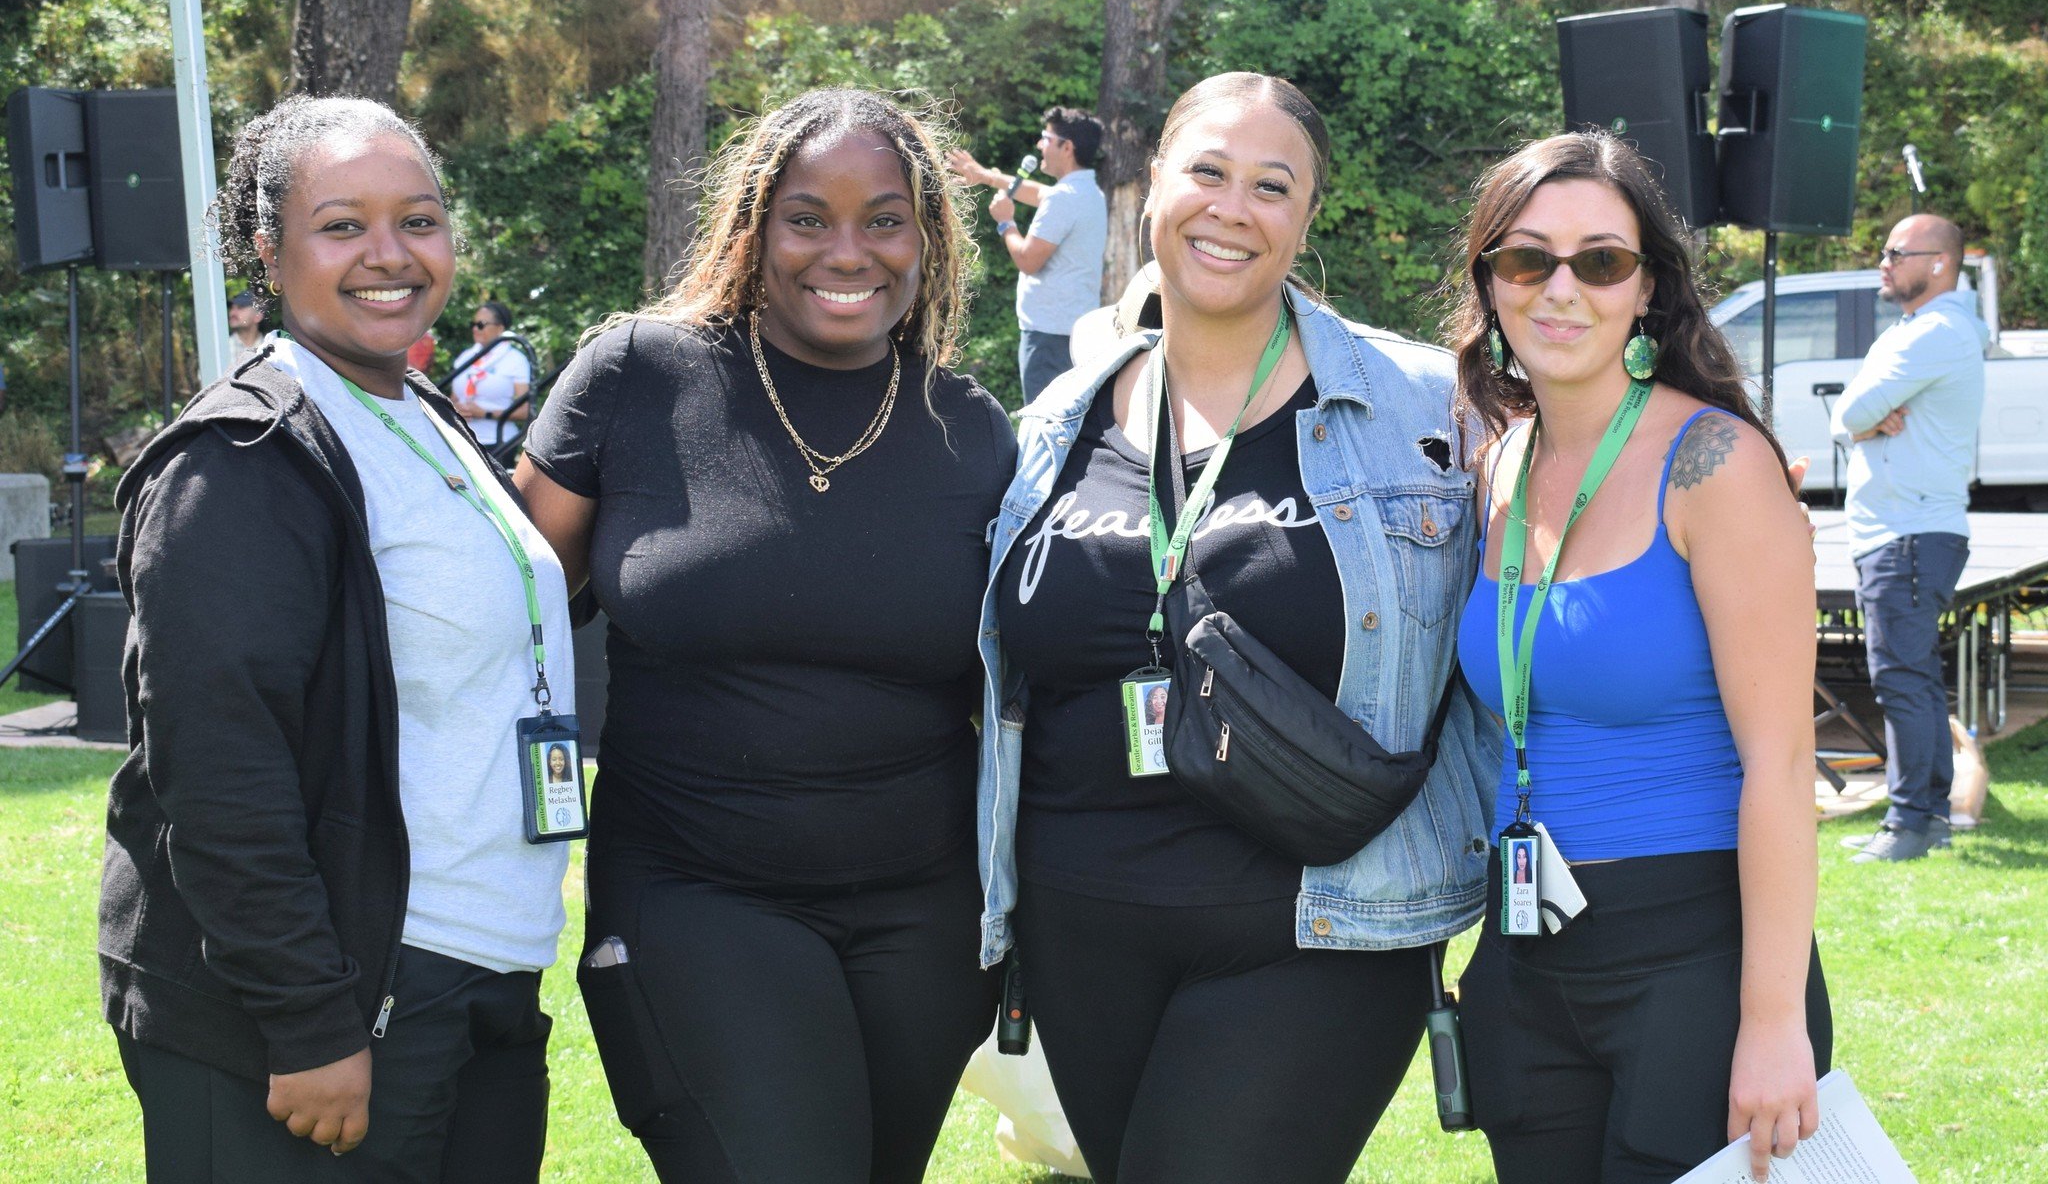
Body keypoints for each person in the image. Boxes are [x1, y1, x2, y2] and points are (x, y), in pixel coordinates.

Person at [975, 72, 1497, 1183]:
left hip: (1319, 924)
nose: (1230, 206)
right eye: (1205, 171)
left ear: (1306, 220)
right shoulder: (1053, 421)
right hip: (1079, 924)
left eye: (1272, 185)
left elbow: (1539, 618)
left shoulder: (1424, 410)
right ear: (1150, 186)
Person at [514, 88, 1014, 1184]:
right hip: (695, 894)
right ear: (752, 227)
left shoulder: (969, 431)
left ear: (927, 240)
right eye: (807, 217)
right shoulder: (636, 377)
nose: (848, 250)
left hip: (923, 925)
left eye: (884, 219)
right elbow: (502, 611)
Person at [101, 96, 577, 1181]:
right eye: (342, 225)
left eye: (417, 219)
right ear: (267, 250)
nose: (388, 255)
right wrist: (310, 1016)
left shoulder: (421, 409)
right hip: (330, 1001)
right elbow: (217, 765)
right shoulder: (239, 458)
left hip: (480, 965)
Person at [1447, 130, 1829, 1184]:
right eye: (1527, 259)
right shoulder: (1495, 468)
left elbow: (1781, 766)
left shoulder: (1715, 464)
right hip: (1523, 951)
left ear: (1643, 288)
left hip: (1692, 960)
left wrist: (1769, 1019)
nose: (1559, 288)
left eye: (1598, 260)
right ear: (1489, 282)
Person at [1830, 214, 1985, 863]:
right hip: (1908, 530)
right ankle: (1927, 819)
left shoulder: (1937, 332)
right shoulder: (1921, 333)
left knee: (1901, 680)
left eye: (1897, 253)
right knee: (1912, 679)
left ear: (1941, 264)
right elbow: (1855, 415)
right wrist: (1860, 419)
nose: (1883, 263)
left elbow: (1849, 412)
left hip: (1909, 533)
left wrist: (1861, 420)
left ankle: (1908, 824)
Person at [947, 107, 1108, 403]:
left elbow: (1028, 260)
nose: (1039, 144)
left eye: (1046, 137)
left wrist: (1006, 222)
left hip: (1049, 334)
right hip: (1072, 328)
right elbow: (1040, 195)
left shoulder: (1063, 198)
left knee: (1044, 421)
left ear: (1067, 147)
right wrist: (986, 177)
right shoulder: (1087, 191)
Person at [448, 300, 532, 446]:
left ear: (500, 328)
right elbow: (454, 399)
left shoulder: (515, 359)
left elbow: (525, 411)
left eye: (481, 325)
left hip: (497, 442)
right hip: (461, 439)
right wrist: (454, 410)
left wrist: (486, 413)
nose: (475, 329)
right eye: (473, 324)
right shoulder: (465, 357)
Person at [227, 288, 266, 356]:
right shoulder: (223, 347)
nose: (232, 313)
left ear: (258, 316)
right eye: (232, 308)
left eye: (240, 307)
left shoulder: (269, 348)